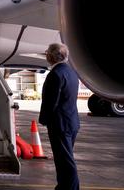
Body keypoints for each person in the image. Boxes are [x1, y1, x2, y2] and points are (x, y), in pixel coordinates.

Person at [39, 43, 80, 190]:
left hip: (60, 124)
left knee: (65, 160)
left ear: (51, 56)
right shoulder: (71, 72)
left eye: (47, 53)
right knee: (63, 159)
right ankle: (63, 186)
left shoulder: (55, 74)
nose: (46, 55)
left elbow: (51, 101)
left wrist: (44, 119)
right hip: (71, 122)